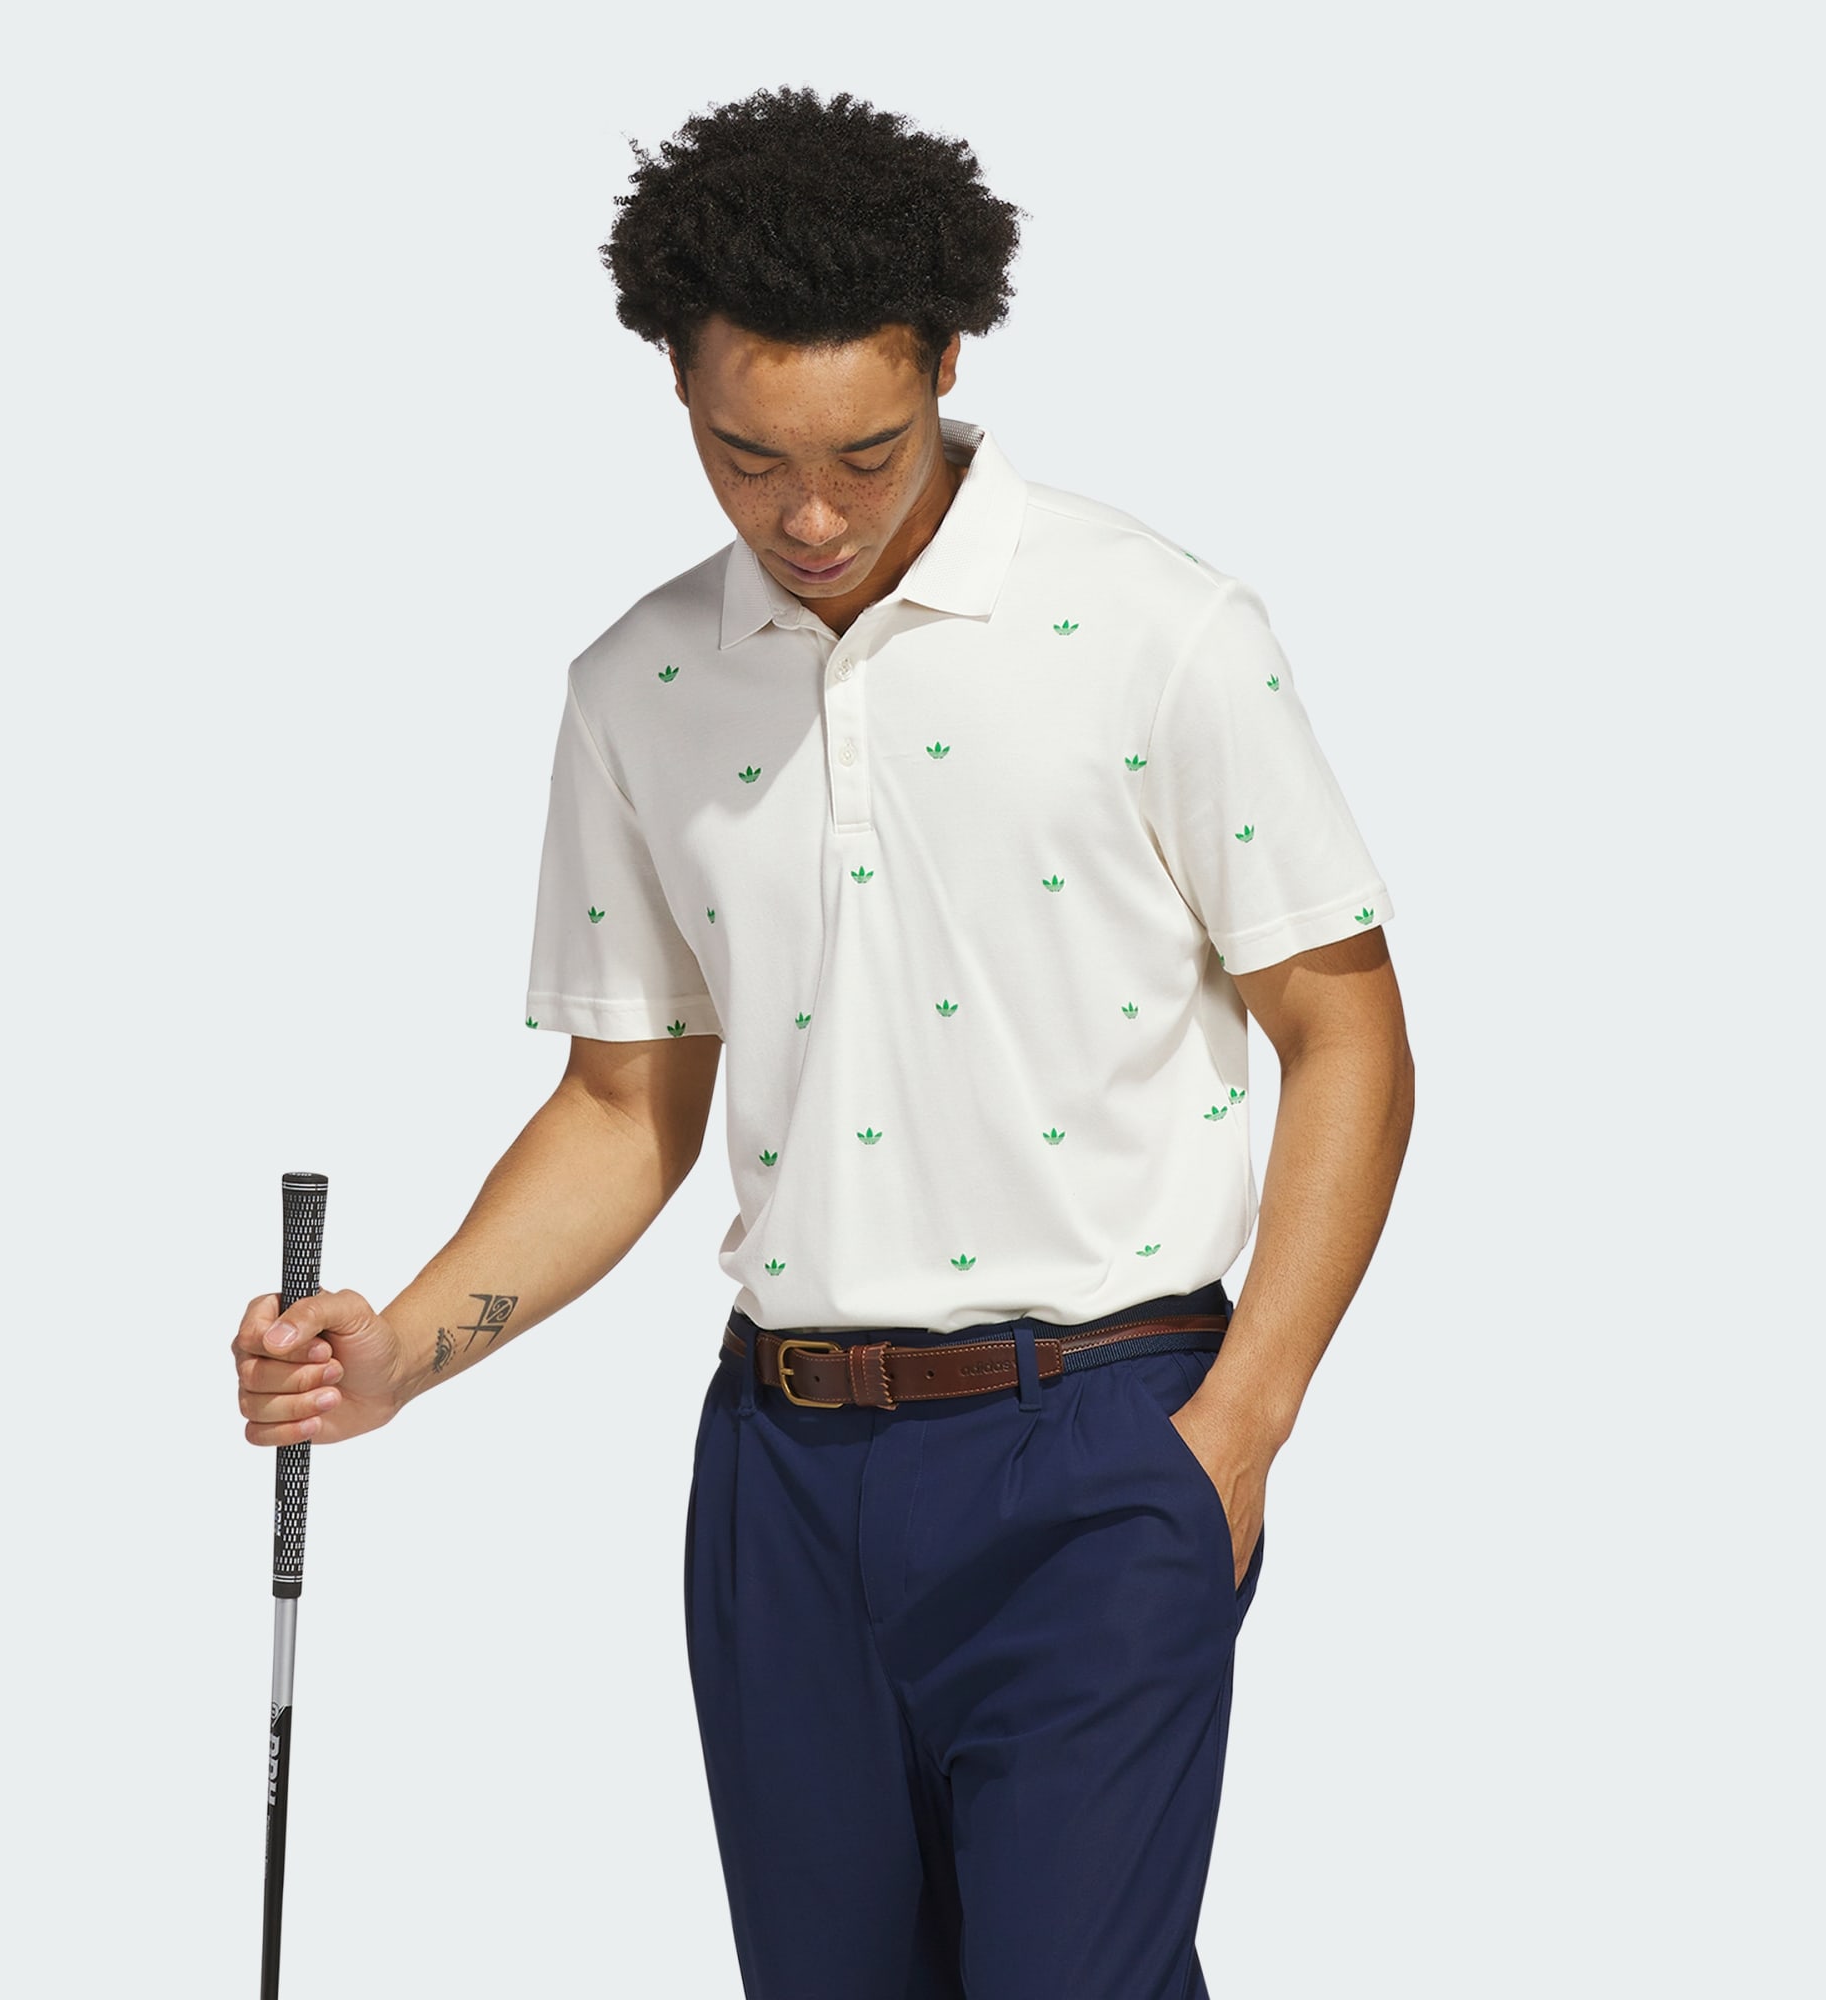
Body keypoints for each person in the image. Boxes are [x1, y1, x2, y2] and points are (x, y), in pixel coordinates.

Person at [231, 83, 1414, 2000]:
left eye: (866, 454)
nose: (808, 515)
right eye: (746, 456)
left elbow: (1343, 1025)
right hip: (777, 1477)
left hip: (1102, 1436)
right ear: (679, 393)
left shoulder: (1156, 630)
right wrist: (402, 1352)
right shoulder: (639, 684)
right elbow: (626, 1103)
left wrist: (1240, 1426)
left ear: (946, 364)